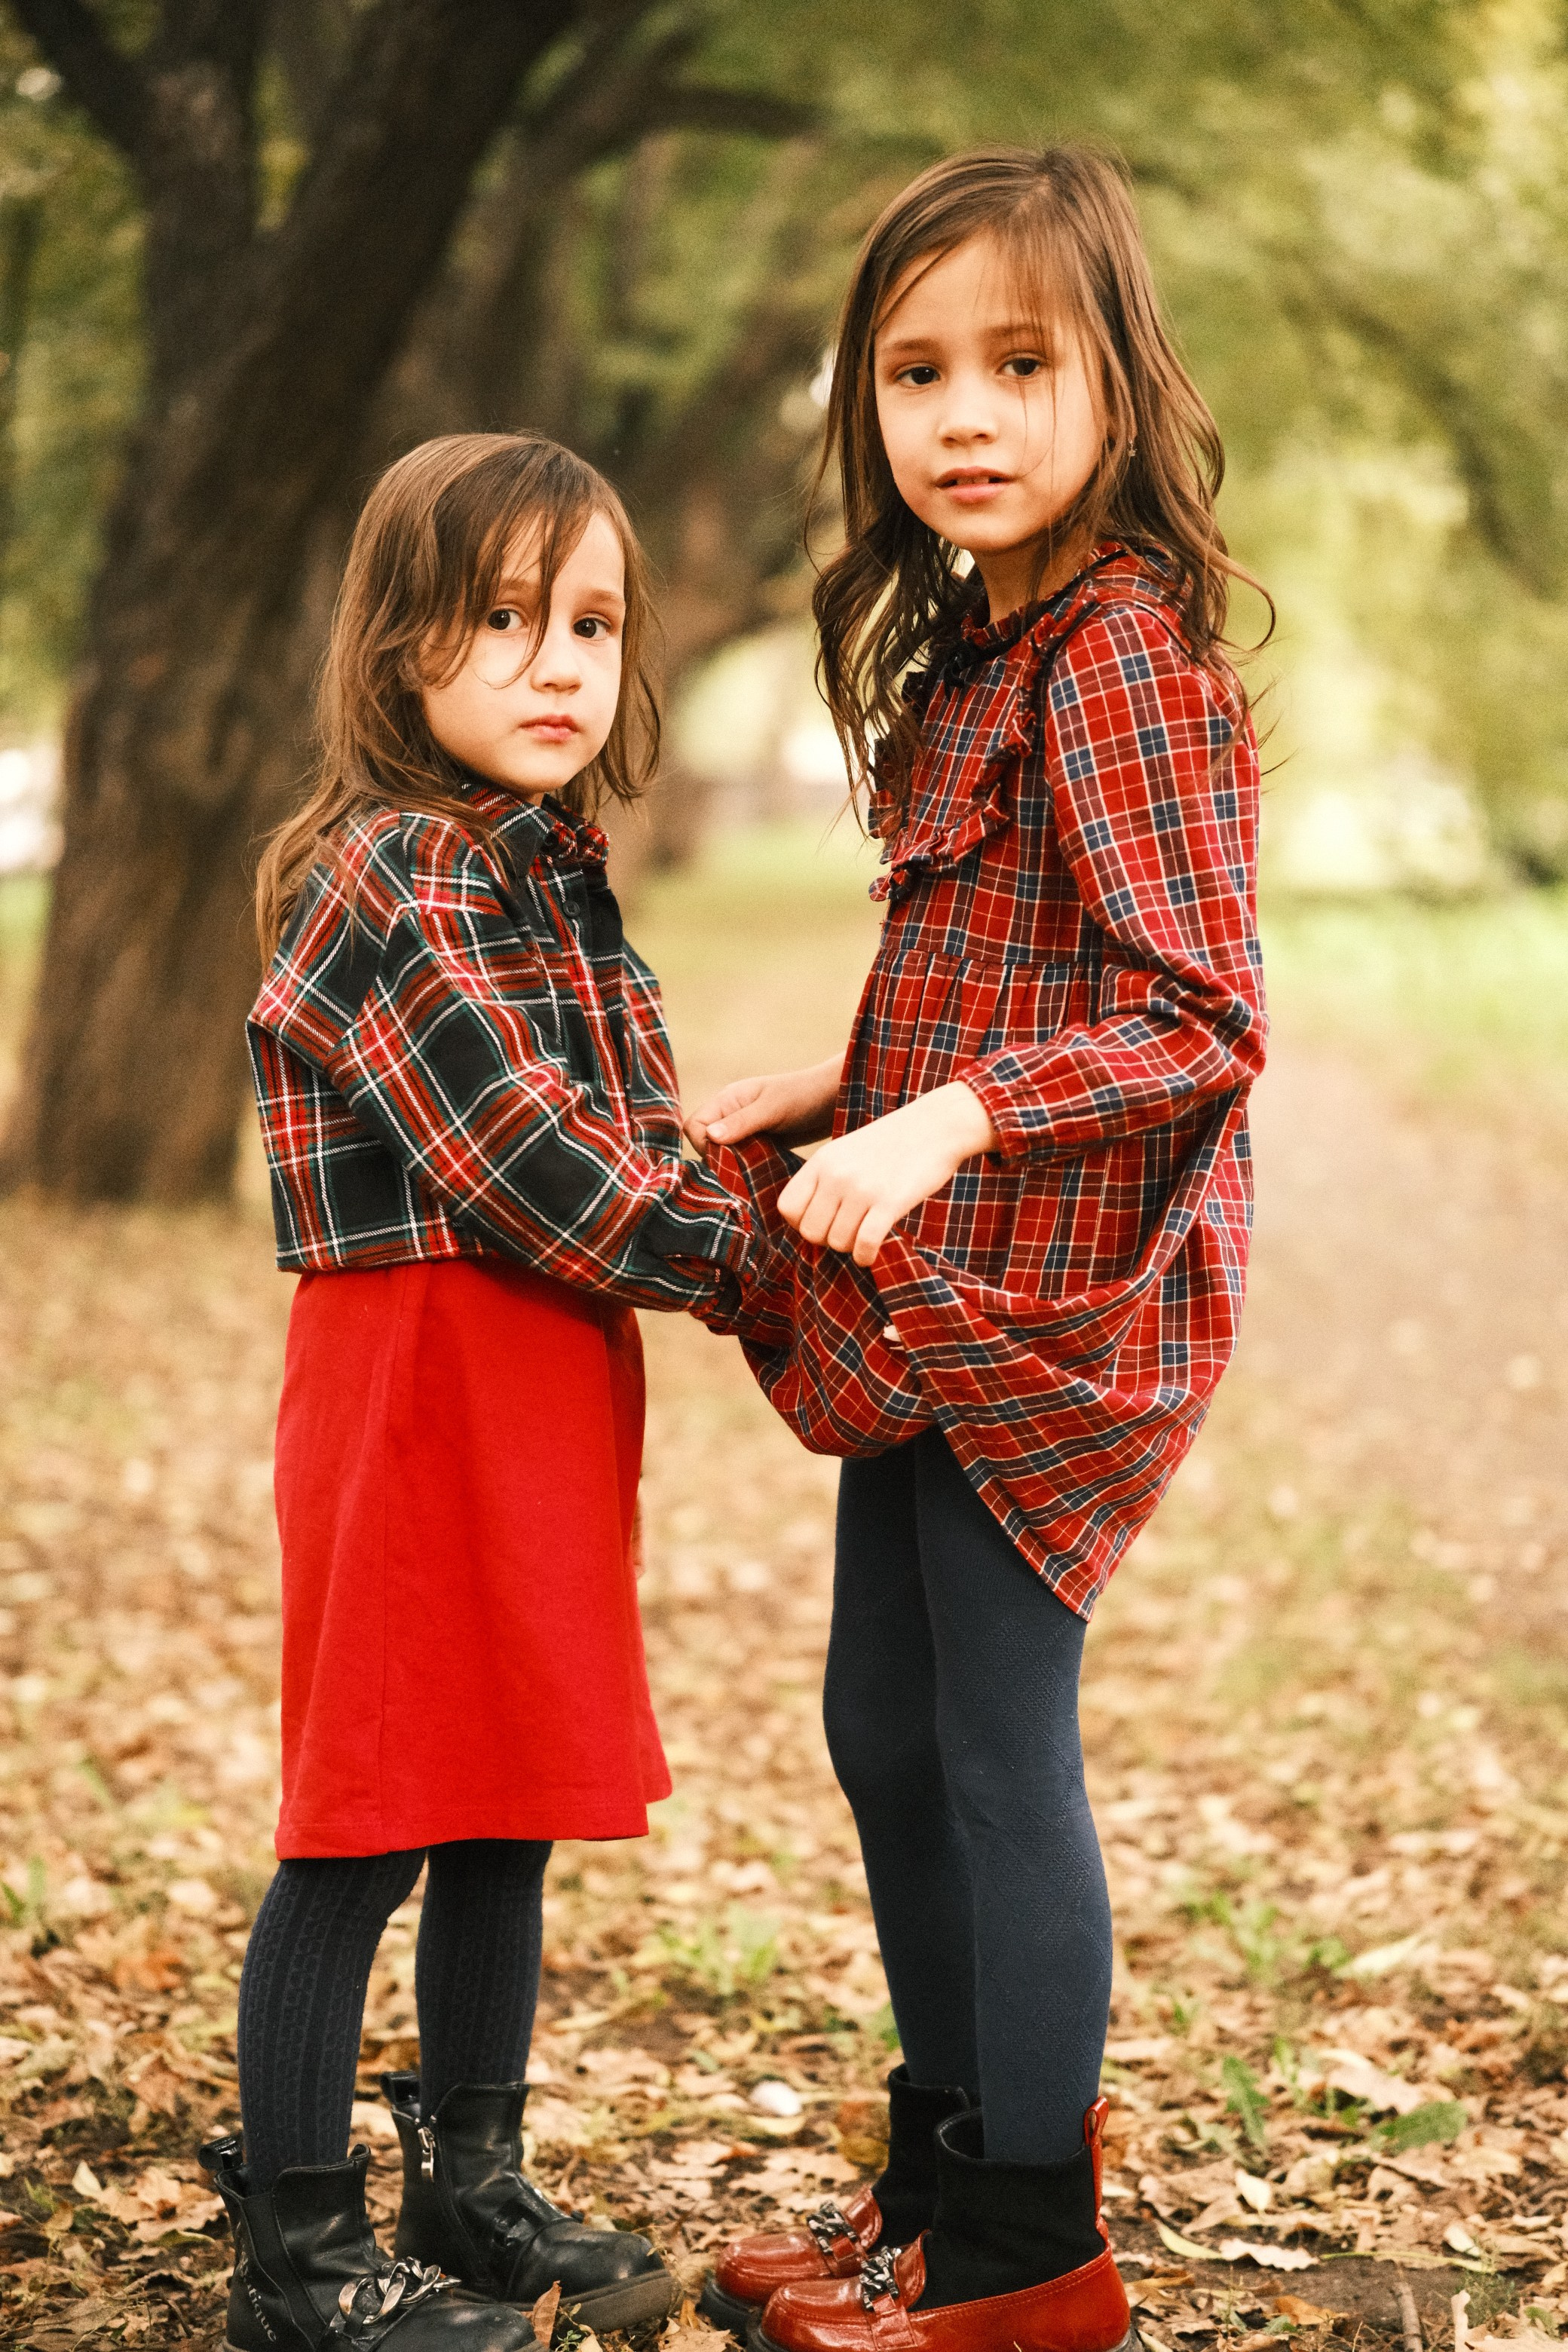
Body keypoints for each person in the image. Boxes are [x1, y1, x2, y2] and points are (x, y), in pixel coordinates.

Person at [689, 146, 1268, 2352]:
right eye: (918, 368)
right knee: (879, 1727)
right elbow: (993, 980)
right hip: (934, 1282)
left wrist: (944, 1122)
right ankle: (935, 2186)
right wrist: (830, 1096)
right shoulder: (978, 657)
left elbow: (1197, 1020)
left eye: (1020, 364)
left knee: (996, 1747)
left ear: (1113, 379)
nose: (965, 412)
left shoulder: (1121, 658)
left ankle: (1033, 2258)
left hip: (1047, 1304)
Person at [204, 432, 769, 2352]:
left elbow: (640, 1130)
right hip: (414, 1373)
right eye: (503, 616)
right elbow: (543, 1159)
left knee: (505, 1792)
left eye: (592, 622)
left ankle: (471, 2171)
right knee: (366, 1804)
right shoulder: (398, 878)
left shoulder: (550, 875)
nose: (556, 662)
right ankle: (295, 2254)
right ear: (398, 651)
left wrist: (742, 1180)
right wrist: (764, 1257)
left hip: (539, 1377)